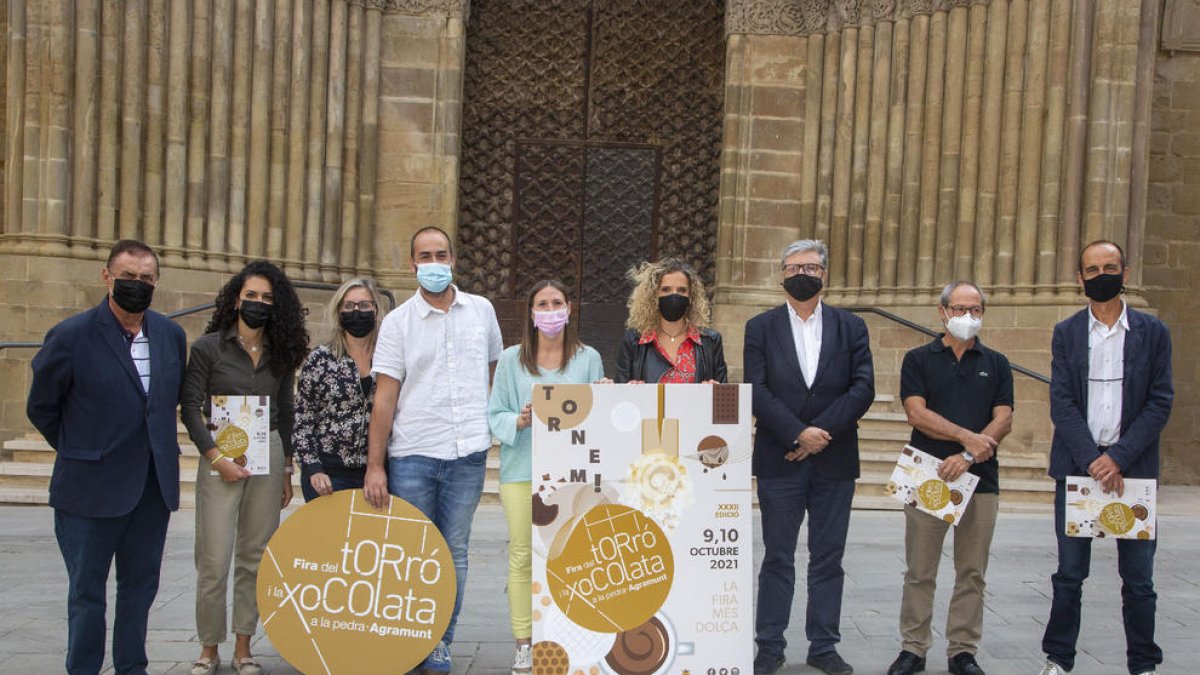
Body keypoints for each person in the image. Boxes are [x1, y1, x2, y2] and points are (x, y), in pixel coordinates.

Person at [26, 240, 187, 675]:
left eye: (146, 278)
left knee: (140, 589)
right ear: (107, 277)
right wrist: (81, 448)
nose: (137, 285)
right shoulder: (71, 335)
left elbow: (164, 404)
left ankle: (132, 667)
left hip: (151, 490)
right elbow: (41, 406)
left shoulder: (170, 336)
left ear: (156, 282)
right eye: (128, 277)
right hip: (88, 490)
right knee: (87, 593)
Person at [363, 226, 503, 674]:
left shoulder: (481, 311)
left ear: (453, 258)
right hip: (415, 455)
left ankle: (441, 642)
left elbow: (494, 372)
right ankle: (411, 641)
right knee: (413, 554)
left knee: (455, 551)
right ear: (412, 264)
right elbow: (384, 396)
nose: (434, 262)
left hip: (467, 454)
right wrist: (375, 465)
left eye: (441, 253)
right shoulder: (398, 323)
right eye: (425, 255)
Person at [1038, 241, 1173, 675]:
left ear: (1125, 272)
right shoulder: (1067, 332)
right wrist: (1092, 459)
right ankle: (1059, 659)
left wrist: (1117, 458)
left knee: (1139, 580)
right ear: (1080, 279)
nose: (1101, 275)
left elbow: (1160, 401)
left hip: (1132, 472)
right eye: (1092, 270)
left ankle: (1143, 664)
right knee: (1069, 575)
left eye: (1109, 267)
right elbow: (1061, 402)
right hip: (1078, 469)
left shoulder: (1153, 333)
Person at [744, 239, 874, 675]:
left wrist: (822, 433)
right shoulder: (759, 327)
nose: (805, 273)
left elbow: (863, 387)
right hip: (779, 457)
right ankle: (769, 645)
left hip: (835, 460)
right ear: (781, 274)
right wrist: (798, 432)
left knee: (828, 556)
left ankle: (823, 645)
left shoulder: (851, 326)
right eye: (796, 266)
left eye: (813, 267)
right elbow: (756, 390)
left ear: (825, 275)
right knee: (777, 555)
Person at [180, 261, 309, 675]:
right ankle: (208, 647)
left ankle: (243, 645)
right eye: (250, 295)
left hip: (267, 452)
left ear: (277, 306)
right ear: (236, 298)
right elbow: (190, 408)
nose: (257, 303)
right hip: (222, 453)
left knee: (255, 554)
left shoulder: (280, 352)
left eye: (266, 298)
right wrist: (215, 457)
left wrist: (287, 467)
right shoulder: (208, 348)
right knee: (214, 557)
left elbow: (286, 411)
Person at [887, 281, 1014, 675]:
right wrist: (966, 439)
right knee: (919, 570)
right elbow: (916, 413)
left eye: (975, 309)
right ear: (943, 312)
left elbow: (1004, 417)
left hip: (981, 481)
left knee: (972, 572)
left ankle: (962, 650)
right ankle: (913, 648)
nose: (968, 316)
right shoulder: (918, 358)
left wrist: (968, 454)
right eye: (960, 309)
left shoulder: (996, 362)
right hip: (928, 475)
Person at [487, 280, 606, 675]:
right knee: (523, 557)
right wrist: (516, 420)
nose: (550, 309)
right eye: (543, 303)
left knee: (573, 559)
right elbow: (495, 413)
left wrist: (606, 395)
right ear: (531, 313)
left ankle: (571, 637)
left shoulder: (588, 358)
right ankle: (525, 643)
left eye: (557, 302)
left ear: (569, 309)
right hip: (522, 472)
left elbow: (600, 416)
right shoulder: (510, 360)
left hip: (573, 478)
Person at [294, 277, 383, 501]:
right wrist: (312, 467)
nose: (357, 311)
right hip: (328, 473)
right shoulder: (320, 359)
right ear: (338, 311)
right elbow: (302, 419)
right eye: (349, 306)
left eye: (364, 305)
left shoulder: (389, 358)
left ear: (375, 309)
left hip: (376, 472)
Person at [615, 257, 728, 384]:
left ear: (691, 296)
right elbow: (621, 393)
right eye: (666, 289)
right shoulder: (634, 340)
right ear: (653, 295)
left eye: (681, 290)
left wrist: (716, 390)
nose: (674, 295)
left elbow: (724, 395)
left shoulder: (710, 341)